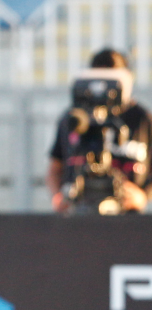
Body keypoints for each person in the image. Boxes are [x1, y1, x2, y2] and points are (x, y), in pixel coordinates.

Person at [47, 48, 150, 214]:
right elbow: (54, 168)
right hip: (79, 213)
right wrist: (59, 197)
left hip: (127, 216)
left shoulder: (142, 119)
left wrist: (142, 196)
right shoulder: (75, 119)